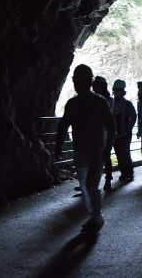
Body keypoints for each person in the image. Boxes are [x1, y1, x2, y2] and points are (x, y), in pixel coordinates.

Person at [55, 64, 115, 234]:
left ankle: (96, 217)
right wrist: (58, 144)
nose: (78, 84)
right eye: (76, 80)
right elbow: (63, 125)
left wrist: (107, 149)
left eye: (81, 80)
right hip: (81, 150)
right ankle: (95, 216)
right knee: (85, 185)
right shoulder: (73, 104)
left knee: (90, 185)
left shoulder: (99, 102)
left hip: (97, 151)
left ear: (89, 82)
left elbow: (111, 126)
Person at [92, 76, 115, 191]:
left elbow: (109, 116)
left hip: (105, 130)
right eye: (96, 85)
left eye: (100, 85)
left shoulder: (108, 99)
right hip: (94, 131)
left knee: (106, 156)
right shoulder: (91, 98)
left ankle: (108, 179)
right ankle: (89, 182)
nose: (98, 87)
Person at [111, 79, 137, 182]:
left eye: (119, 90)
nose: (117, 92)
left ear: (123, 92)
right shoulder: (111, 103)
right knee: (118, 154)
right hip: (115, 134)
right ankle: (124, 173)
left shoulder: (127, 104)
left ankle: (129, 173)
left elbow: (134, 117)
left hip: (125, 134)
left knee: (125, 153)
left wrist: (128, 129)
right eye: (116, 90)